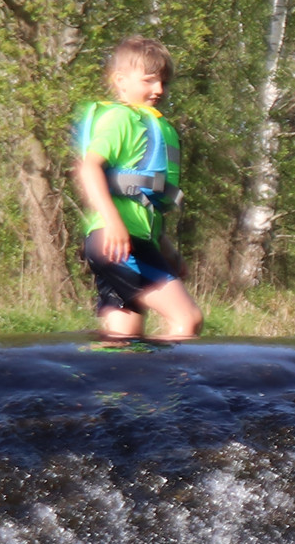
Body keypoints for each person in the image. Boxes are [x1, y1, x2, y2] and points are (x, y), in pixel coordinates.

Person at [70, 37, 203, 344]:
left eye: (163, 82)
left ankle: (104, 377)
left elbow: (142, 202)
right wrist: (113, 222)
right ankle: (172, 378)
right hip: (118, 244)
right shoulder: (122, 119)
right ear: (120, 81)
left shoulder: (149, 123)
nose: (159, 89)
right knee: (187, 319)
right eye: (149, 80)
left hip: (130, 241)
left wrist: (166, 248)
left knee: (123, 337)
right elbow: (89, 168)